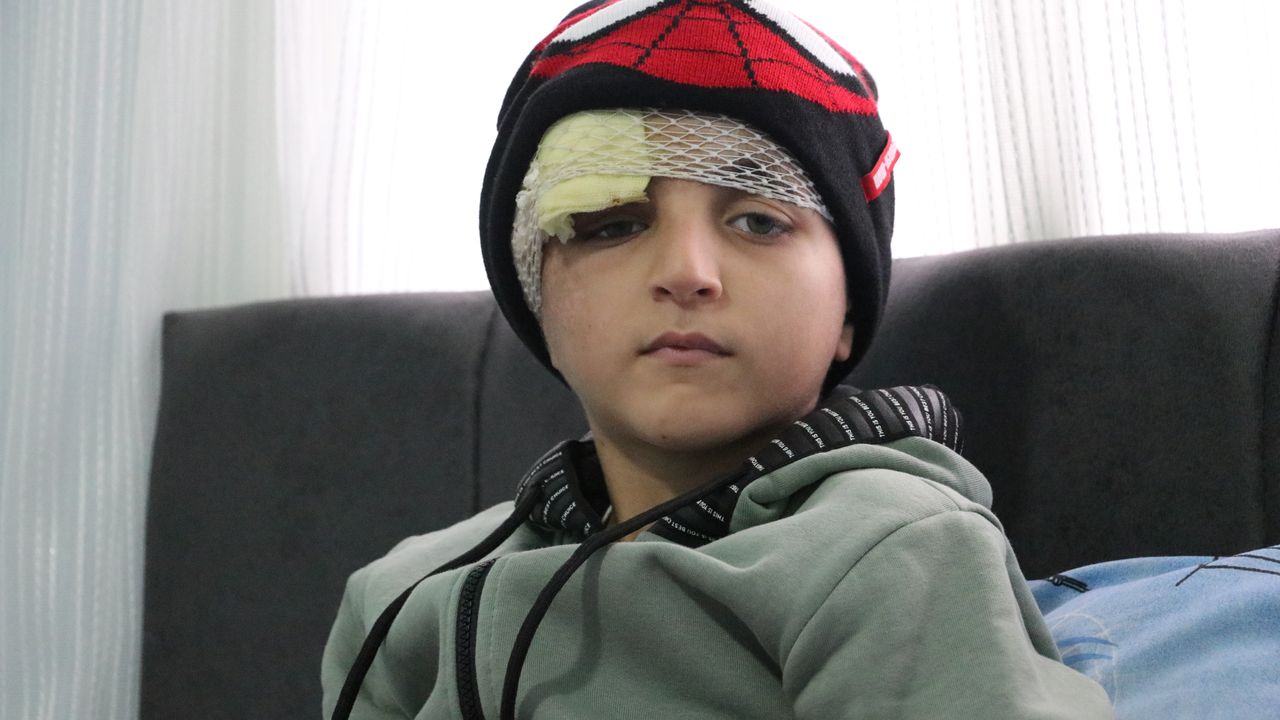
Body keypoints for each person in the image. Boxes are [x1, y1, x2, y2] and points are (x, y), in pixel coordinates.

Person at [321, 1, 1114, 718]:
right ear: (537, 304)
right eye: (612, 225)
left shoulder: (896, 553)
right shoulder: (402, 594)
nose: (687, 272)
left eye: (759, 221)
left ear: (848, 307)